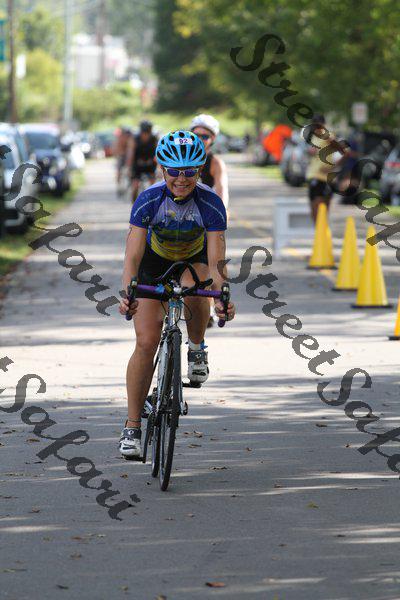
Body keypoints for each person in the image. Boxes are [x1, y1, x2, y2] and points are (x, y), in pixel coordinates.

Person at [118, 130, 236, 458]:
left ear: (200, 170)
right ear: (162, 169)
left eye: (189, 172)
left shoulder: (210, 203)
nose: (181, 179)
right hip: (153, 262)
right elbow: (132, 256)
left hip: (193, 259)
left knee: (196, 286)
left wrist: (222, 296)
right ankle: (132, 426)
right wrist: (127, 293)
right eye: (174, 171)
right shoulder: (149, 199)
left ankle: (196, 347)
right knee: (145, 342)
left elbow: (217, 260)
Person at [190, 114, 229, 210]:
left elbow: (222, 191)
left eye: (205, 136)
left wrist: (222, 212)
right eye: (196, 135)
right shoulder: (180, 157)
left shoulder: (216, 163)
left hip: (203, 211)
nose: (199, 140)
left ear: (213, 138)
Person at [305, 115, 338, 222]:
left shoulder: (329, 135)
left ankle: (321, 228)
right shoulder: (314, 137)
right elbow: (312, 151)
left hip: (326, 177)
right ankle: (318, 229)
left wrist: (333, 167)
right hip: (314, 174)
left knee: (323, 209)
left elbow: (338, 147)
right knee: (314, 208)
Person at [126, 120, 158, 203]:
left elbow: (158, 153)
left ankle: (153, 203)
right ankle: (134, 203)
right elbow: (130, 154)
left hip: (150, 164)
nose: (146, 135)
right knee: (135, 186)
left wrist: (160, 168)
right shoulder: (134, 139)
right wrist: (129, 168)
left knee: (153, 186)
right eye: (144, 133)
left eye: (148, 133)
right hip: (137, 165)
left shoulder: (154, 139)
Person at [113, 127, 132, 194]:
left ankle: (130, 181)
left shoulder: (131, 140)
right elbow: (116, 149)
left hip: (128, 156)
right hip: (121, 156)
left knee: (130, 169)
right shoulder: (119, 140)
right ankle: (119, 185)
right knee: (119, 171)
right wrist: (119, 154)